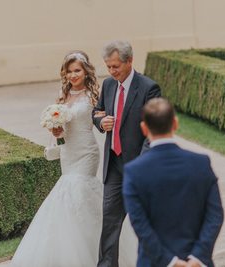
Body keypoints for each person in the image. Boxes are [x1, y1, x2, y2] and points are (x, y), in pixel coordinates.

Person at [8, 51, 136, 267]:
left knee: (77, 189)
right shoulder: (62, 95)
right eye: (69, 71)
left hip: (87, 152)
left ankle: (102, 254)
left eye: (77, 70)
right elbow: (61, 129)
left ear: (86, 71)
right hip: (68, 152)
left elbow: (102, 120)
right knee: (67, 196)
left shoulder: (93, 95)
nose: (73, 75)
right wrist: (57, 132)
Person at [122, 98, 224, 267]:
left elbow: (140, 225)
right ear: (175, 123)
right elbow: (215, 215)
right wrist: (197, 257)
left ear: (144, 128)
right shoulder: (201, 163)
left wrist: (170, 262)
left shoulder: (134, 171)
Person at [92, 40, 161, 267]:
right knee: (109, 222)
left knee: (144, 223)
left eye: (116, 67)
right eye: (108, 66)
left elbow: (154, 131)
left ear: (129, 61)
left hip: (139, 169)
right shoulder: (109, 85)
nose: (111, 71)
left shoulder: (149, 88)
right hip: (113, 166)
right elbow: (97, 111)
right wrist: (101, 121)